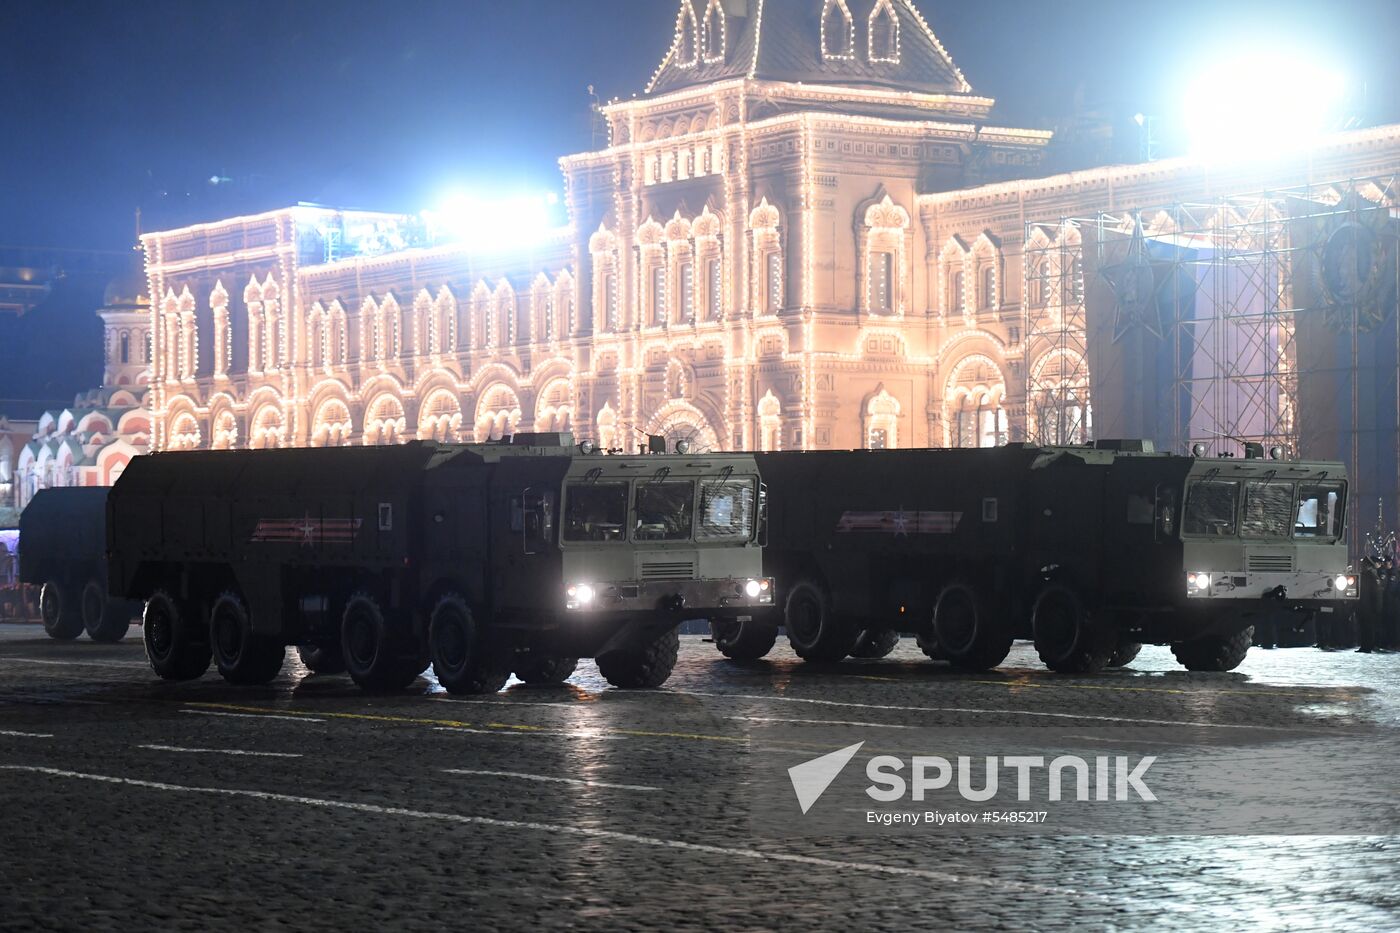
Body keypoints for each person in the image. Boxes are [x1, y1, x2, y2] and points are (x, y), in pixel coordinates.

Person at [1355, 556, 1383, 653]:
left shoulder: (1372, 576)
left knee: (1369, 628)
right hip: (1362, 607)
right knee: (1363, 627)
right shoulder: (1363, 575)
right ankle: (1364, 646)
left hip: (1370, 608)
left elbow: (1377, 593)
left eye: (1364, 564)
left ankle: (1368, 646)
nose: (1362, 566)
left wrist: (1377, 608)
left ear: (1368, 565)